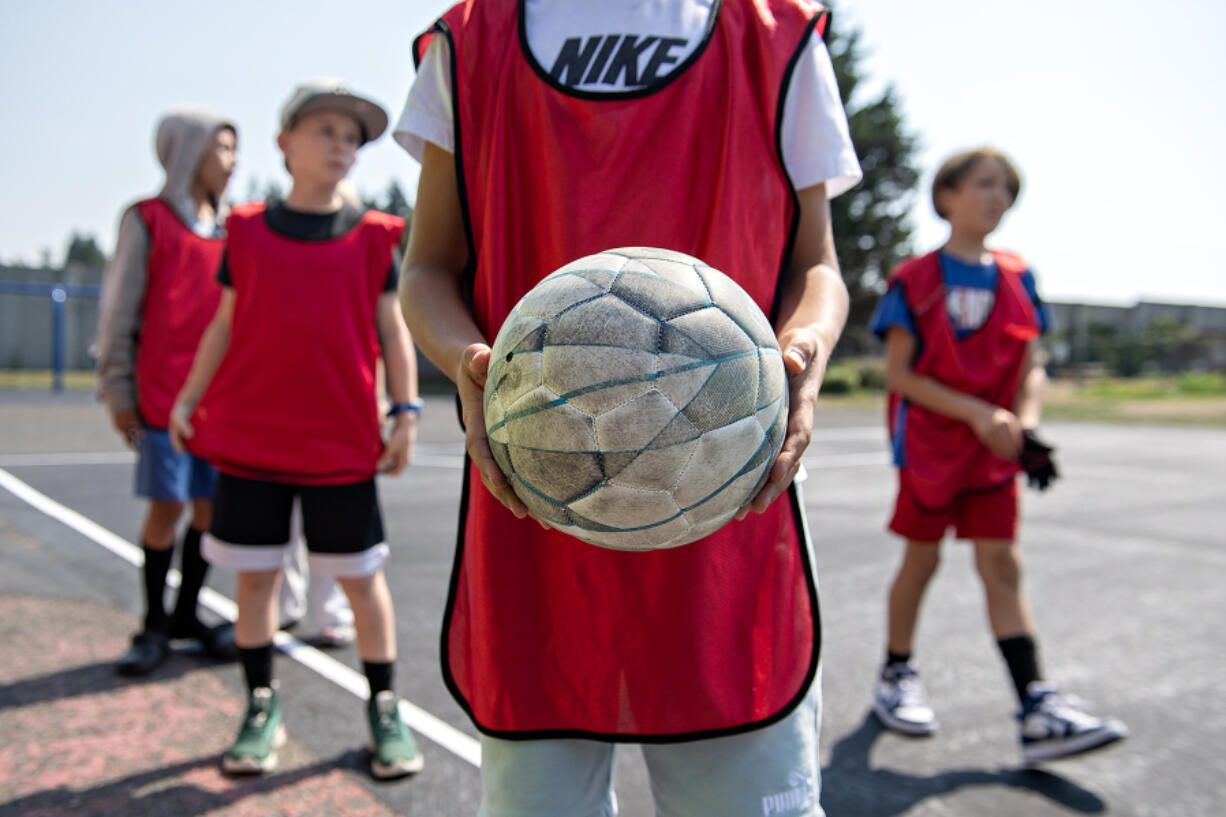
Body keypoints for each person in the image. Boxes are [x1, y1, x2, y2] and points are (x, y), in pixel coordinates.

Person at [394, 0, 859, 813]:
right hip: (533, 505)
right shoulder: (471, 38)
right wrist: (462, 361)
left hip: (729, 504)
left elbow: (816, 262)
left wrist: (806, 352)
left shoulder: (775, 34)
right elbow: (427, 267)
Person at [169, 80, 424, 779]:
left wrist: (405, 409)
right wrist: (189, 396)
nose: (341, 145)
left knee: (361, 583)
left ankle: (384, 706)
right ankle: (259, 704)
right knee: (254, 583)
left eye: (352, 137)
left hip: (342, 442)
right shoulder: (246, 230)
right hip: (252, 440)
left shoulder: (377, 236)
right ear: (284, 143)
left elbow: (392, 333)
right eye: (326, 131)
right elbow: (222, 324)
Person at [868, 147, 1129, 763]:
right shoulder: (914, 280)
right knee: (921, 560)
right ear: (946, 196)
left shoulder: (1019, 275)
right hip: (932, 448)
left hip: (994, 453)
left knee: (1003, 566)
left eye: (1006, 190)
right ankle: (896, 672)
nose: (997, 198)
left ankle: (1036, 706)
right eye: (984, 185)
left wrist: (1023, 427)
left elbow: (1031, 366)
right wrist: (980, 415)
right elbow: (901, 376)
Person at [95, 110, 239, 675]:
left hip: (218, 403)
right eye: (222, 148)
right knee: (167, 507)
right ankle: (153, 623)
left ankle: (185, 615)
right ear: (190, 151)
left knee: (208, 512)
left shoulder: (231, 231)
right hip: (159, 399)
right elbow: (118, 310)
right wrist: (117, 389)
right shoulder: (147, 220)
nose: (232, 161)